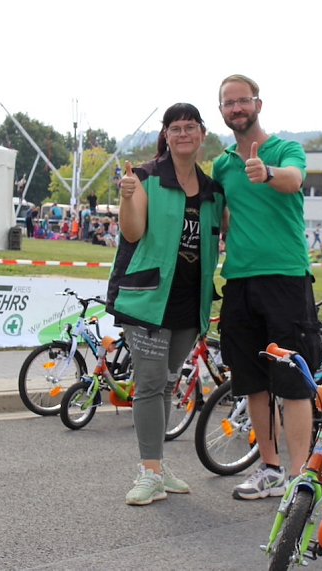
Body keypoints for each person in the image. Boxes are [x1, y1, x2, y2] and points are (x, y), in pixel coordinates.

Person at [106, 103, 225, 506]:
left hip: (189, 306)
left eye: (191, 127)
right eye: (176, 128)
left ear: (202, 134)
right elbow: (133, 231)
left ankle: (157, 465)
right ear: (166, 135)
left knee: (168, 386)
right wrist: (126, 198)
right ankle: (149, 471)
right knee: (151, 384)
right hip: (148, 299)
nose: (183, 134)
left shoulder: (212, 192)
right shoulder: (145, 178)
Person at [212, 74, 322, 500]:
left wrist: (267, 171)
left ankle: (299, 477)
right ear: (222, 111)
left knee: (292, 381)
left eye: (243, 101)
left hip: (285, 278)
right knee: (253, 382)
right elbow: (221, 217)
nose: (236, 109)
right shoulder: (222, 165)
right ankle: (270, 467)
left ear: (258, 104)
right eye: (228, 103)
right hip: (239, 280)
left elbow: (294, 180)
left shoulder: (284, 150)